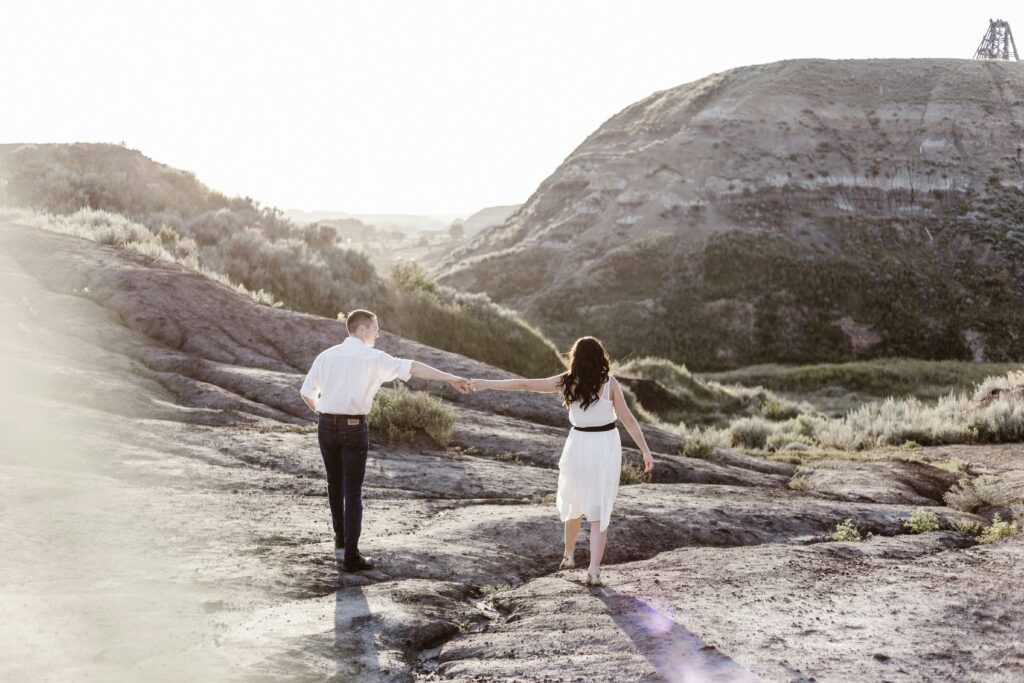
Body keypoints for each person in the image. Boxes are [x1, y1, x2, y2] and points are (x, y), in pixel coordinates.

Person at [470, 336, 653, 587]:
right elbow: (629, 421)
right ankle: (594, 571)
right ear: (601, 357)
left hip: (577, 445)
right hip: (604, 446)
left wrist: (484, 384)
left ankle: (568, 556)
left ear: (574, 358)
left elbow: (524, 384)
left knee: (573, 500)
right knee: (599, 508)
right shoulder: (609, 383)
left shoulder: (567, 381)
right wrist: (645, 450)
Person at [300, 309, 470, 572]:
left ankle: (341, 542)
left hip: (325, 425)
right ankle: (352, 557)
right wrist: (450, 378)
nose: (378, 334)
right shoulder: (374, 358)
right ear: (362, 329)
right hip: (354, 428)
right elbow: (412, 367)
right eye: (375, 328)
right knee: (352, 490)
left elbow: (306, 393)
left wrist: (323, 413)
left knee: (334, 482)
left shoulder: (327, 355)